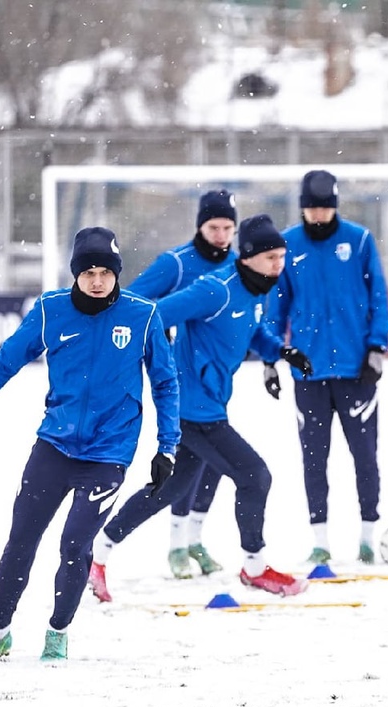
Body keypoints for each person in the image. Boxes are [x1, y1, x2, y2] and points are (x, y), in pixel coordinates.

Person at [0, 227, 180, 661]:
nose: (98, 280)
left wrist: (167, 445)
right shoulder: (50, 311)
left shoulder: (142, 315)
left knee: (73, 546)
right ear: (75, 274)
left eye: (106, 271)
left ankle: (57, 635)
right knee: (20, 540)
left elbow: (166, 383)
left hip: (108, 455)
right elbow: (3, 363)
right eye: (89, 272)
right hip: (54, 447)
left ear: (117, 273)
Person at [90, 214, 314, 599]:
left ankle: (97, 553)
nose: (280, 265)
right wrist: (152, 360)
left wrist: (281, 352)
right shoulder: (216, 288)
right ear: (248, 256)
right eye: (272, 258)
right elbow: (154, 315)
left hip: (208, 406)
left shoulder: (255, 288)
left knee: (167, 492)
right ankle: (255, 568)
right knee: (254, 475)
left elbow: (253, 329)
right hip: (192, 410)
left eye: (282, 257)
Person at [264, 170, 388, 566]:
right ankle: (320, 539)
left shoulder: (359, 240)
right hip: (308, 372)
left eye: (324, 207)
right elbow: (275, 307)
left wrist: (376, 348)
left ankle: (368, 535)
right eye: (311, 208)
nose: (317, 215)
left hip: (356, 372)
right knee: (314, 458)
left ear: (335, 206)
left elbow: (379, 298)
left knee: (365, 456)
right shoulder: (287, 245)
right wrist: (271, 360)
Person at [127, 188, 238, 582]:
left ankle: (193, 539)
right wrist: (165, 336)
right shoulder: (174, 264)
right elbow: (133, 302)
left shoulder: (239, 267)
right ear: (200, 226)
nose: (221, 235)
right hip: (176, 382)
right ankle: (176, 546)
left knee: (215, 463)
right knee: (185, 460)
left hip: (215, 383)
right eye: (214, 226)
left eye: (228, 227)